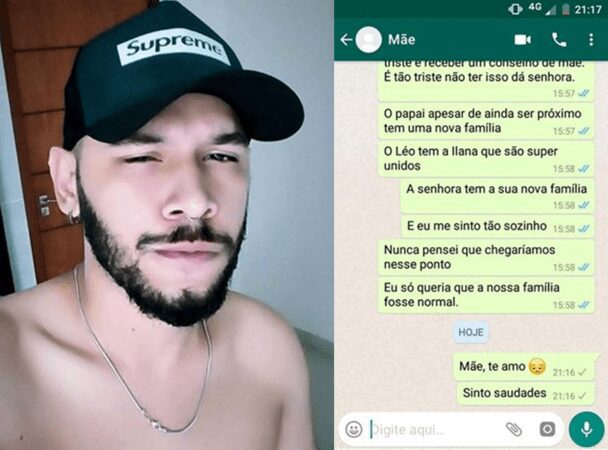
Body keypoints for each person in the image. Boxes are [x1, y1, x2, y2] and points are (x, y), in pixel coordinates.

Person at [0, 2, 315, 449]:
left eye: (221, 155)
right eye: (143, 156)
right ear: (67, 183)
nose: (197, 202)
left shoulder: (272, 348)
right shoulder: (9, 367)